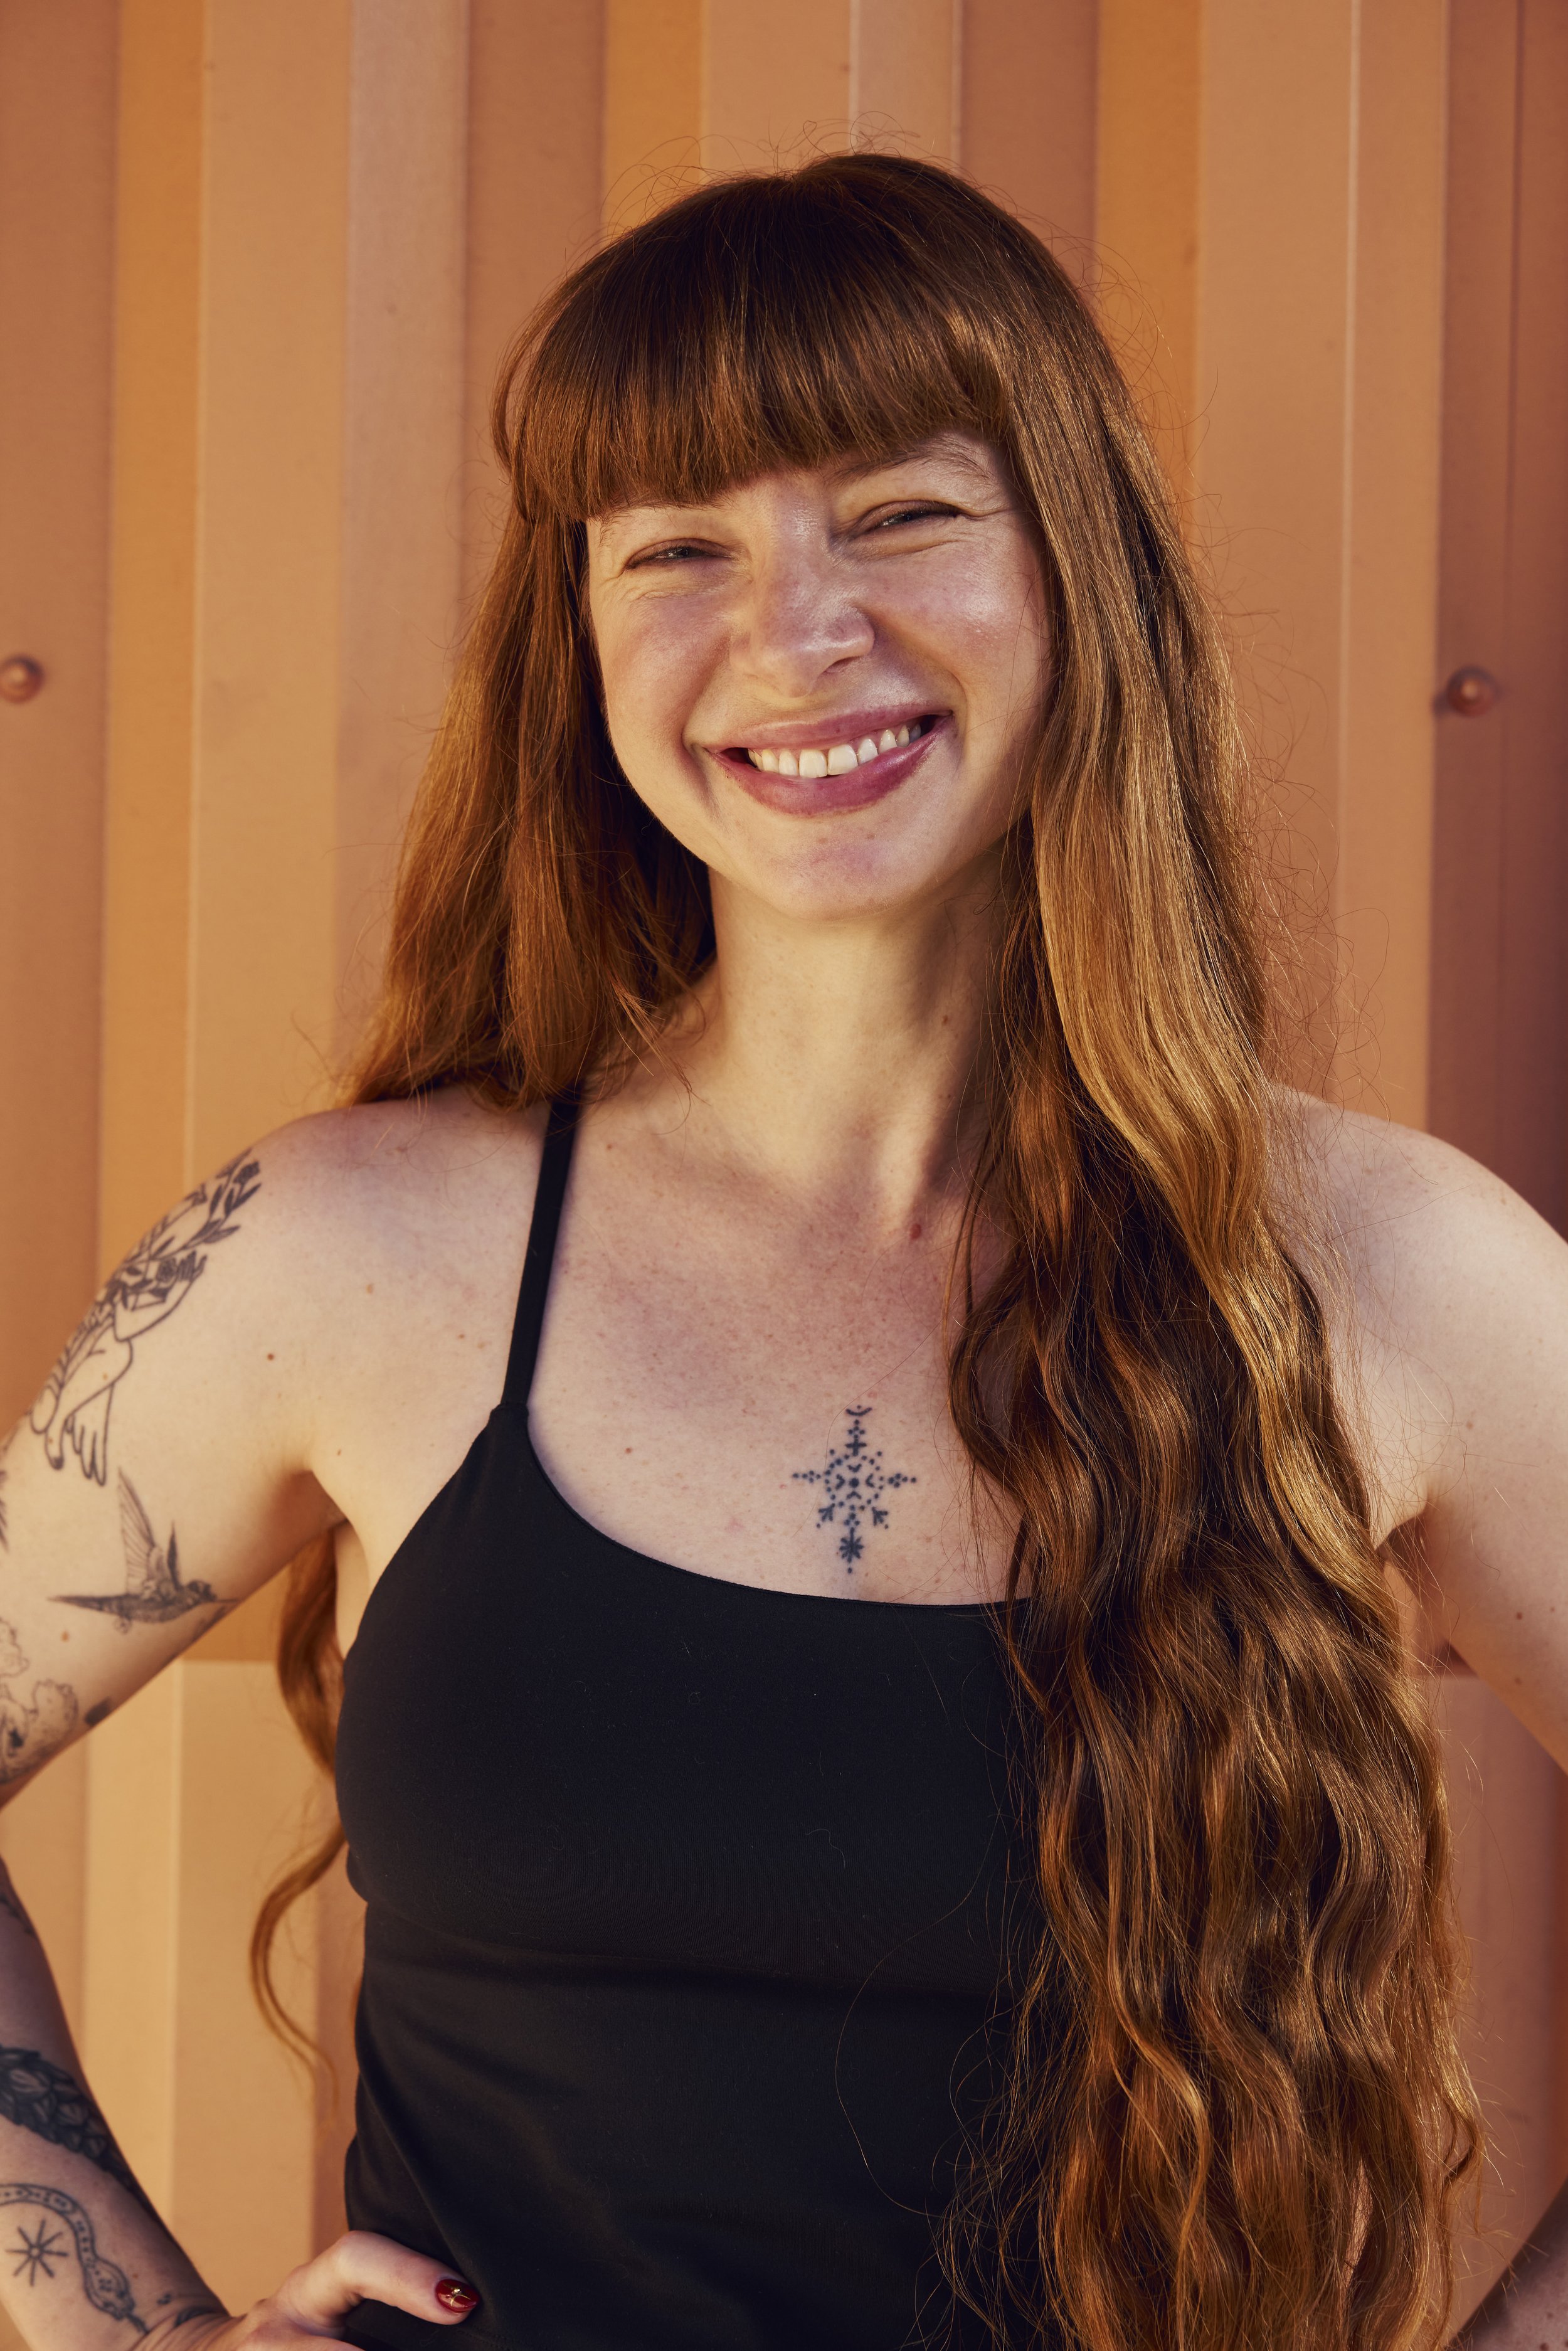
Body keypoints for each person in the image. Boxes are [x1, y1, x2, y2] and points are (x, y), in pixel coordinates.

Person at [0, 151, 1564, 2351]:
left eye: (903, 512)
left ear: (1077, 566)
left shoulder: (1390, 1277)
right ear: (585, 636)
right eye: (678, 548)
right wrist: (127, 2333)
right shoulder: (350, 1251)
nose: (791, 630)